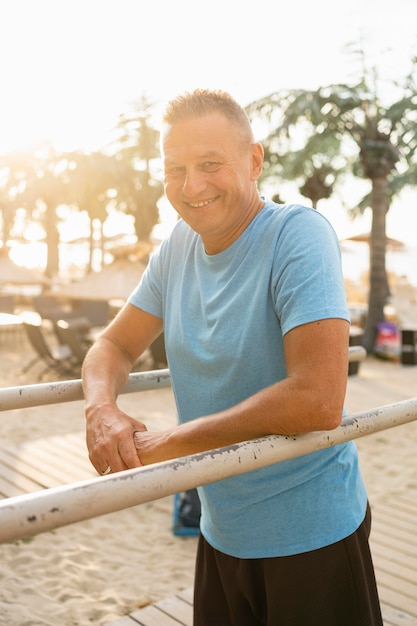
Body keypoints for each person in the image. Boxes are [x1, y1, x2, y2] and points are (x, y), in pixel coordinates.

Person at [82, 89, 383, 625]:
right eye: (175, 169)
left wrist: (166, 444)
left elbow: (317, 399)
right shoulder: (177, 247)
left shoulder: (298, 234)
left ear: (254, 160)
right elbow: (112, 345)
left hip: (310, 536)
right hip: (221, 531)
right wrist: (102, 409)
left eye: (210, 165)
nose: (191, 186)